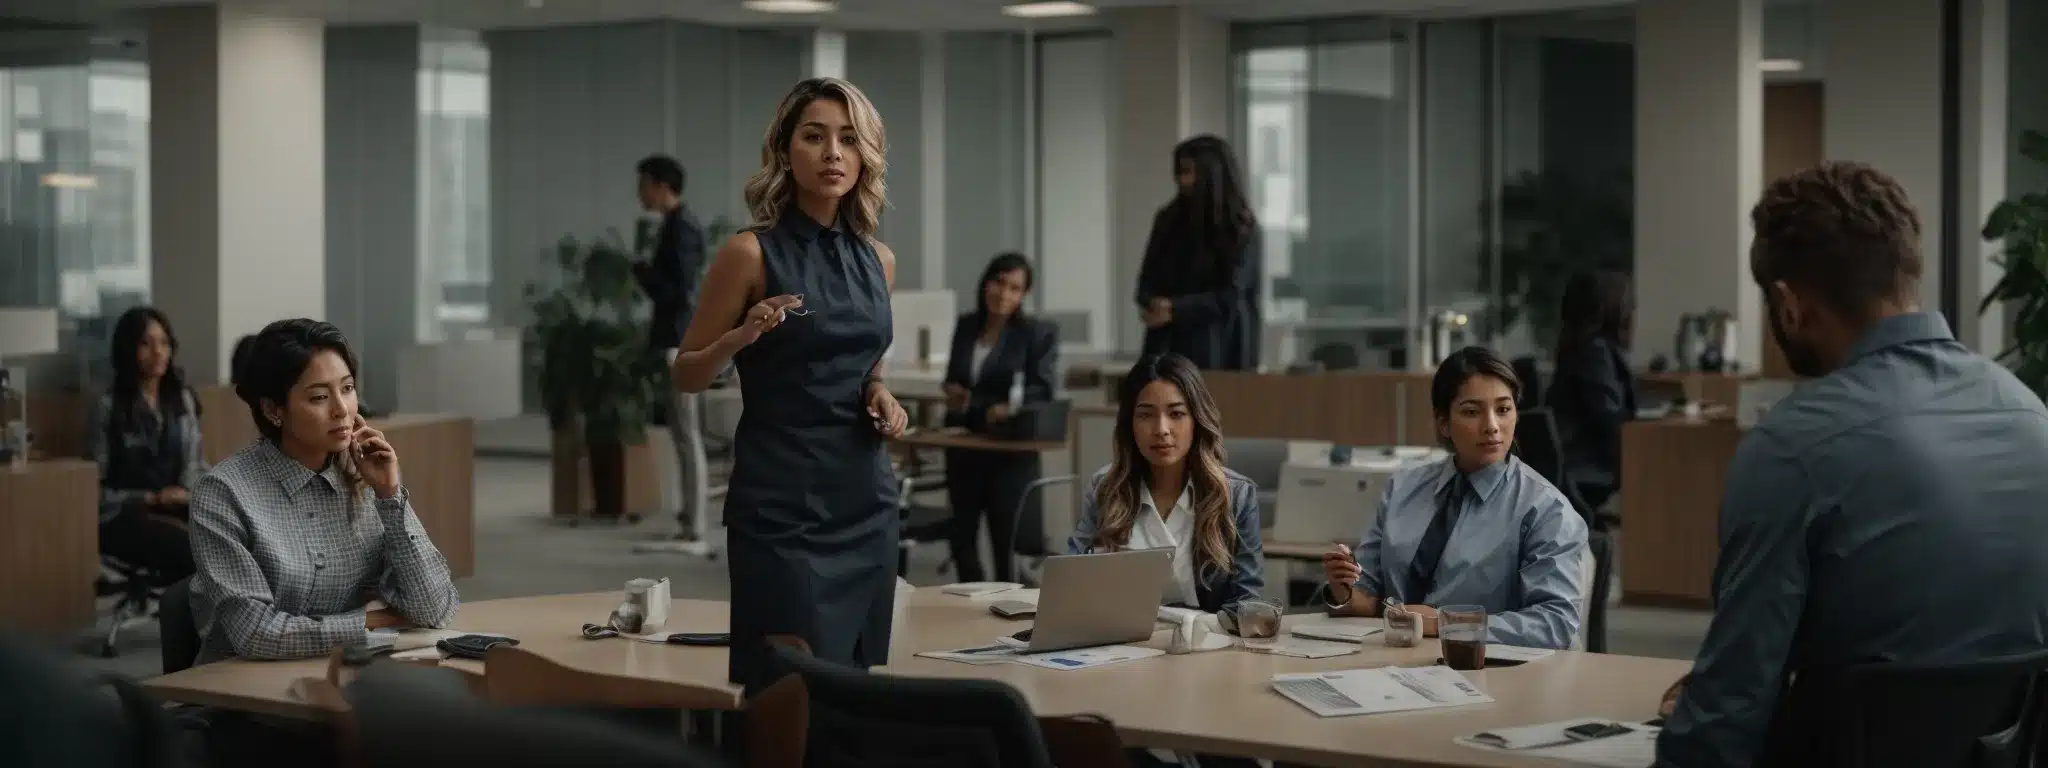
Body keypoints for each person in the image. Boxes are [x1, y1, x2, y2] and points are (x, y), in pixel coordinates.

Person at [1655, 163, 2048, 767]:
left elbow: (1729, 714)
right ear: (1907, 270)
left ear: (1789, 304)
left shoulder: (1793, 446)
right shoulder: (2029, 414)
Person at [668, 77, 908, 694]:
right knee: (787, 690)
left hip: (865, 498)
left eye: (849, 139)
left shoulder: (879, 260)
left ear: (866, 155)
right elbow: (687, 372)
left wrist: (879, 392)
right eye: (815, 136)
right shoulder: (749, 253)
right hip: (782, 503)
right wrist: (741, 337)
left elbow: (866, 361)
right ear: (785, 149)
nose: (833, 153)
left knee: (854, 690)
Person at [189, 319, 458, 663]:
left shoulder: (363, 474)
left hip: (346, 671)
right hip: (242, 685)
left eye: (347, 388)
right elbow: (256, 634)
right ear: (273, 410)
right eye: (319, 397)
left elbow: (434, 608)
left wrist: (390, 496)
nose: (342, 409)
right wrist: (371, 622)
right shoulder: (223, 493)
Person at [1322, 346, 1589, 650]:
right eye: (1472, 412)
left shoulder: (1545, 509)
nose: (1492, 426)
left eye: (1503, 409)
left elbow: (1556, 622)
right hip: (1398, 657)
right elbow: (1369, 595)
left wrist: (1447, 623)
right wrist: (1344, 590)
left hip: (1488, 666)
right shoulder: (1403, 488)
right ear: (1443, 423)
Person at [1068, 354, 1263, 615]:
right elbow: (1071, 580)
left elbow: (1246, 602)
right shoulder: (1106, 487)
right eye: (1146, 415)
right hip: (1118, 634)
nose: (1161, 429)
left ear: (1196, 420)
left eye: (1176, 414)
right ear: (1130, 424)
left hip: (1204, 637)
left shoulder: (1235, 494)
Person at [941, 253, 1058, 584]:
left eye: (1014, 288)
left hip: (1008, 450)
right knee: (962, 539)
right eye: (999, 283)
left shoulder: (1035, 333)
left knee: (1005, 544)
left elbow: (1042, 390)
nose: (1004, 294)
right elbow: (954, 377)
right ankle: (970, 602)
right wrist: (954, 391)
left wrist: (990, 405)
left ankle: (1005, 607)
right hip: (965, 445)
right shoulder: (967, 326)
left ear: (1023, 295)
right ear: (986, 283)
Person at [86, 306, 202, 586]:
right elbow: (93, 492)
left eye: (164, 343)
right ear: (128, 350)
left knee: (236, 534)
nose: (158, 352)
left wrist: (187, 494)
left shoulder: (182, 401)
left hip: (176, 507)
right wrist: (149, 499)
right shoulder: (109, 407)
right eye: (146, 344)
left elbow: (195, 466)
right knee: (195, 549)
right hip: (123, 517)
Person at [631, 154, 712, 543]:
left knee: (687, 432)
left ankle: (695, 523)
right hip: (677, 338)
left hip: (679, 341)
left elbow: (677, 292)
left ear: (661, 186)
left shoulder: (681, 228)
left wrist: (643, 272)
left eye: (643, 185)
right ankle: (688, 519)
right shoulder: (677, 225)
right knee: (682, 431)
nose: (639, 194)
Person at [1135, 135, 1262, 371]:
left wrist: (1175, 309)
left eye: (1188, 172)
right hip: (1167, 348)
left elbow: (1231, 295)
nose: (1181, 180)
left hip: (1222, 349)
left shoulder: (1240, 227)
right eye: (1179, 172)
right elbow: (1146, 281)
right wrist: (1153, 303)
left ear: (1211, 174)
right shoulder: (1167, 220)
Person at [1545, 270, 1637, 511]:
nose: (1632, 313)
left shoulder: (1578, 348)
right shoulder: (1594, 353)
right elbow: (1609, 421)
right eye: (1627, 305)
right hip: (1589, 470)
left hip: (1574, 467)